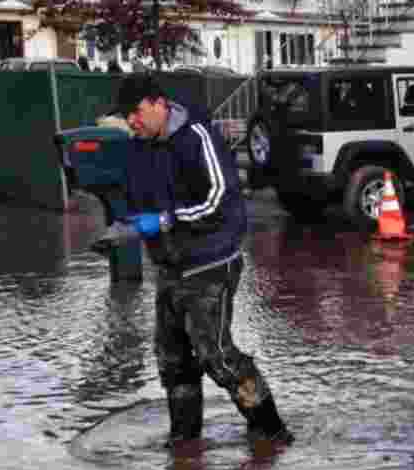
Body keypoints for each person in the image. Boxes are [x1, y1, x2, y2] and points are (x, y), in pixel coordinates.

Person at [114, 73, 293, 445]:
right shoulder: (138, 148)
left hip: (211, 262)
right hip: (170, 266)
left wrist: (165, 220)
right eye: (125, 115)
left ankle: (272, 430)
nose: (131, 121)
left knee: (217, 356)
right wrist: (128, 224)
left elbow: (221, 201)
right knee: (173, 359)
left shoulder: (198, 138)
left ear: (158, 103)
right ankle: (184, 440)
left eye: (135, 112)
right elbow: (137, 201)